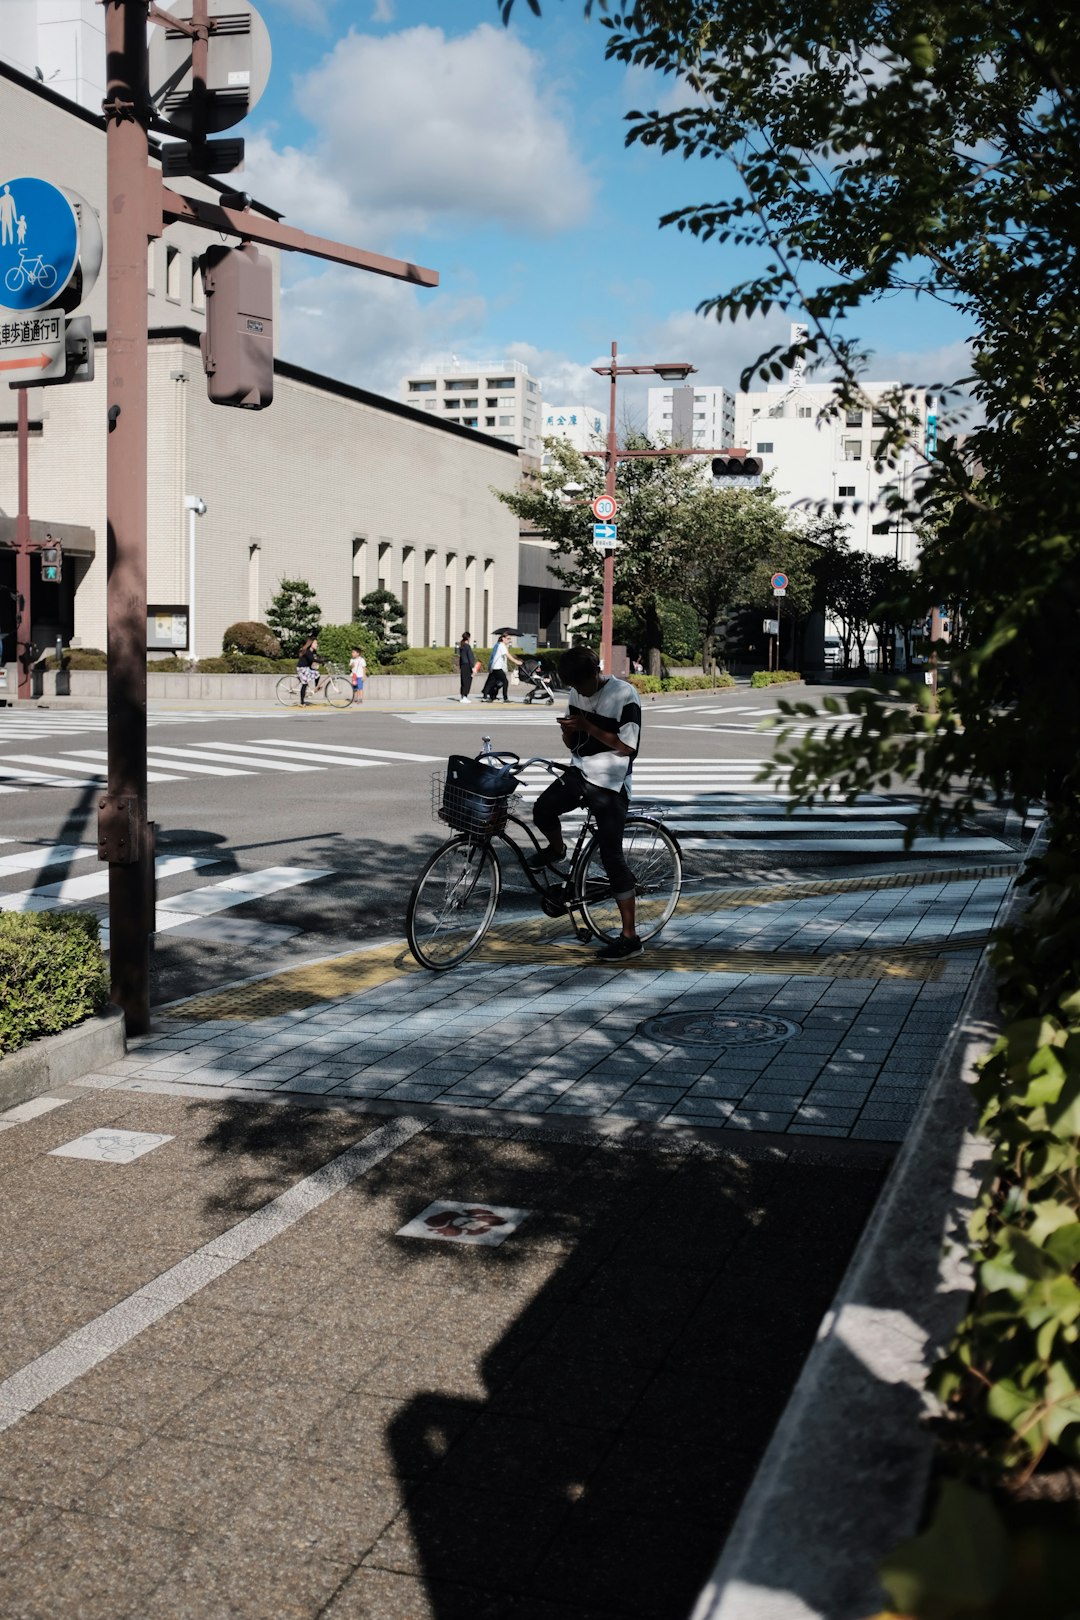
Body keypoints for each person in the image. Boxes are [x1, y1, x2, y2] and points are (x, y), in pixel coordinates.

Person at [529, 644, 644, 961]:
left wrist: (589, 726)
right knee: (542, 809)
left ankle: (630, 937)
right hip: (581, 770)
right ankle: (557, 848)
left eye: (582, 683)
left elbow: (628, 747)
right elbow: (575, 741)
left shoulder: (624, 695)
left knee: (611, 857)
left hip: (612, 781)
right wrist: (568, 733)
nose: (579, 691)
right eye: (574, 686)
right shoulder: (577, 693)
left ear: (596, 673)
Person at [482, 632, 522, 703]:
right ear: (503, 638)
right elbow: (508, 655)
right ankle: (505, 698)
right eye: (507, 638)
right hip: (497, 668)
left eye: (509, 639)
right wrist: (517, 662)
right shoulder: (501, 645)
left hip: (494, 667)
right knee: (505, 682)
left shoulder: (498, 645)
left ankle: (485, 697)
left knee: (491, 682)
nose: (509, 640)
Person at [296, 635, 322, 705]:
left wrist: (324, 659)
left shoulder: (313, 651)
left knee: (317, 674)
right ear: (311, 644)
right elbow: (312, 659)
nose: (317, 645)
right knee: (305, 684)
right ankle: (302, 702)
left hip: (307, 668)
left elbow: (317, 657)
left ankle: (316, 688)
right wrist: (320, 661)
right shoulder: (307, 651)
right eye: (315, 643)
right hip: (302, 668)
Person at [458, 632, 476, 702]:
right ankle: (465, 697)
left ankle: (462, 696)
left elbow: (460, 658)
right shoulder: (467, 646)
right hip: (467, 665)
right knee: (467, 681)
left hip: (463, 665)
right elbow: (470, 657)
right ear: (468, 638)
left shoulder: (461, 646)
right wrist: (473, 667)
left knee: (463, 681)